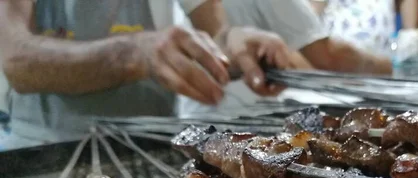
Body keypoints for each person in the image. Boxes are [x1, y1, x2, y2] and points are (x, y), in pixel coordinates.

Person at [0, 0, 291, 148]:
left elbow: (218, 34)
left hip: (150, 149)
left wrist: (238, 45)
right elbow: (17, 60)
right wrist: (134, 54)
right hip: (43, 151)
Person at [179, 0, 392, 117]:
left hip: (194, 115)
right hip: (241, 118)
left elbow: (218, 35)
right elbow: (328, 56)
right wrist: (391, 65)